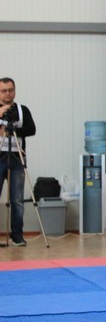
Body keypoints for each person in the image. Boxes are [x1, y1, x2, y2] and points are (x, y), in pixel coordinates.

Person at [0, 78, 36, 247]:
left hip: (17, 157)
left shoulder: (22, 110)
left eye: (11, 90)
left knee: (17, 199)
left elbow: (31, 129)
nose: (8, 94)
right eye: (4, 91)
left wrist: (11, 130)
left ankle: (17, 235)